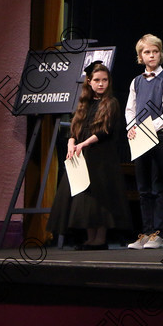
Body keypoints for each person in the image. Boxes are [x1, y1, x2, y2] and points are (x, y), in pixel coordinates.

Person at [47, 62, 132, 249]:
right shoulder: (83, 104)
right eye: (97, 80)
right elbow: (75, 128)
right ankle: (89, 237)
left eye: (105, 80)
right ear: (89, 81)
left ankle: (100, 239)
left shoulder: (111, 103)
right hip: (82, 155)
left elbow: (105, 131)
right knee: (84, 197)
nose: (101, 84)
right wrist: (72, 142)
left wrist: (84, 143)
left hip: (101, 156)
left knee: (100, 198)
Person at [125, 34, 163, 249]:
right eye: (147, 52)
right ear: (141, 56)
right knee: (143, 187)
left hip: (160, 137)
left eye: (155, 51)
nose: (151, 55)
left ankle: (158, 233)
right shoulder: (136, 81)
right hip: (140, 138)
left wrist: (150, 128)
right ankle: (146, 232)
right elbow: (130, 108)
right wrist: (132, 128)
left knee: (159, 185)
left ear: (161, 53)